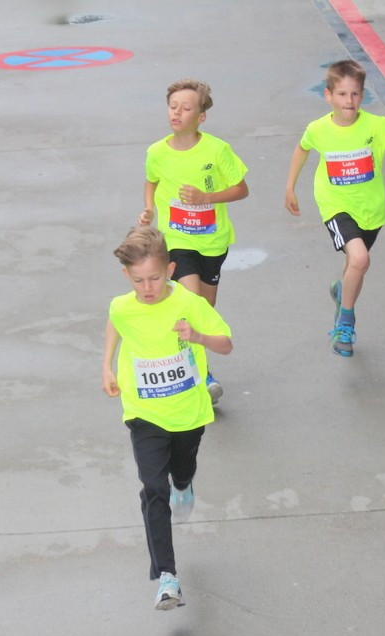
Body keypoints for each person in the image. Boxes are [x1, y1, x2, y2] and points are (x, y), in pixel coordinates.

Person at [103, 226, 233, 611]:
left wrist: (197, 336)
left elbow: (226, 343)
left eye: (155, 278)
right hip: (144, 412)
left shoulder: (189, 304)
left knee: (180, 471)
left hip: (188, 413)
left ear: (171, 270)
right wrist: (106, 367)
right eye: (139, 280)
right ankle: (167, 578)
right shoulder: (122, 305)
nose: (147, 288)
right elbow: (116, 322)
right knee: (152, 488)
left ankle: (185, 482)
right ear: (128, 276)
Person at [284, 59, 385, 357]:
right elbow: (302, 148)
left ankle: (344, 293)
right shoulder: (318, 129)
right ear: (328, 95)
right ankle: (345, 323)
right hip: (335, 205)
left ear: (363, 95)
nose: (349, 101)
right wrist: (290, 186)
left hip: (370, 210)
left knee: (354, 265)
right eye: (342, 94)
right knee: (360, 258)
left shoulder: (378, 126)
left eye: (355, 94)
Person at [138, 79, 248, 406]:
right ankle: (202, 373)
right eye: (173, 107)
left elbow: (242, 189)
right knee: (193, 300)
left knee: (205, 307)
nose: (177, 113)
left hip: (213, 242)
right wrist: (148, 209)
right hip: (177, 241)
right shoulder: (156, 152)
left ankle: (188, 352)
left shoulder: (217, 150)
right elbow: (151, 181)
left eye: (186, 108)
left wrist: (206, 197)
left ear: (200, 116)